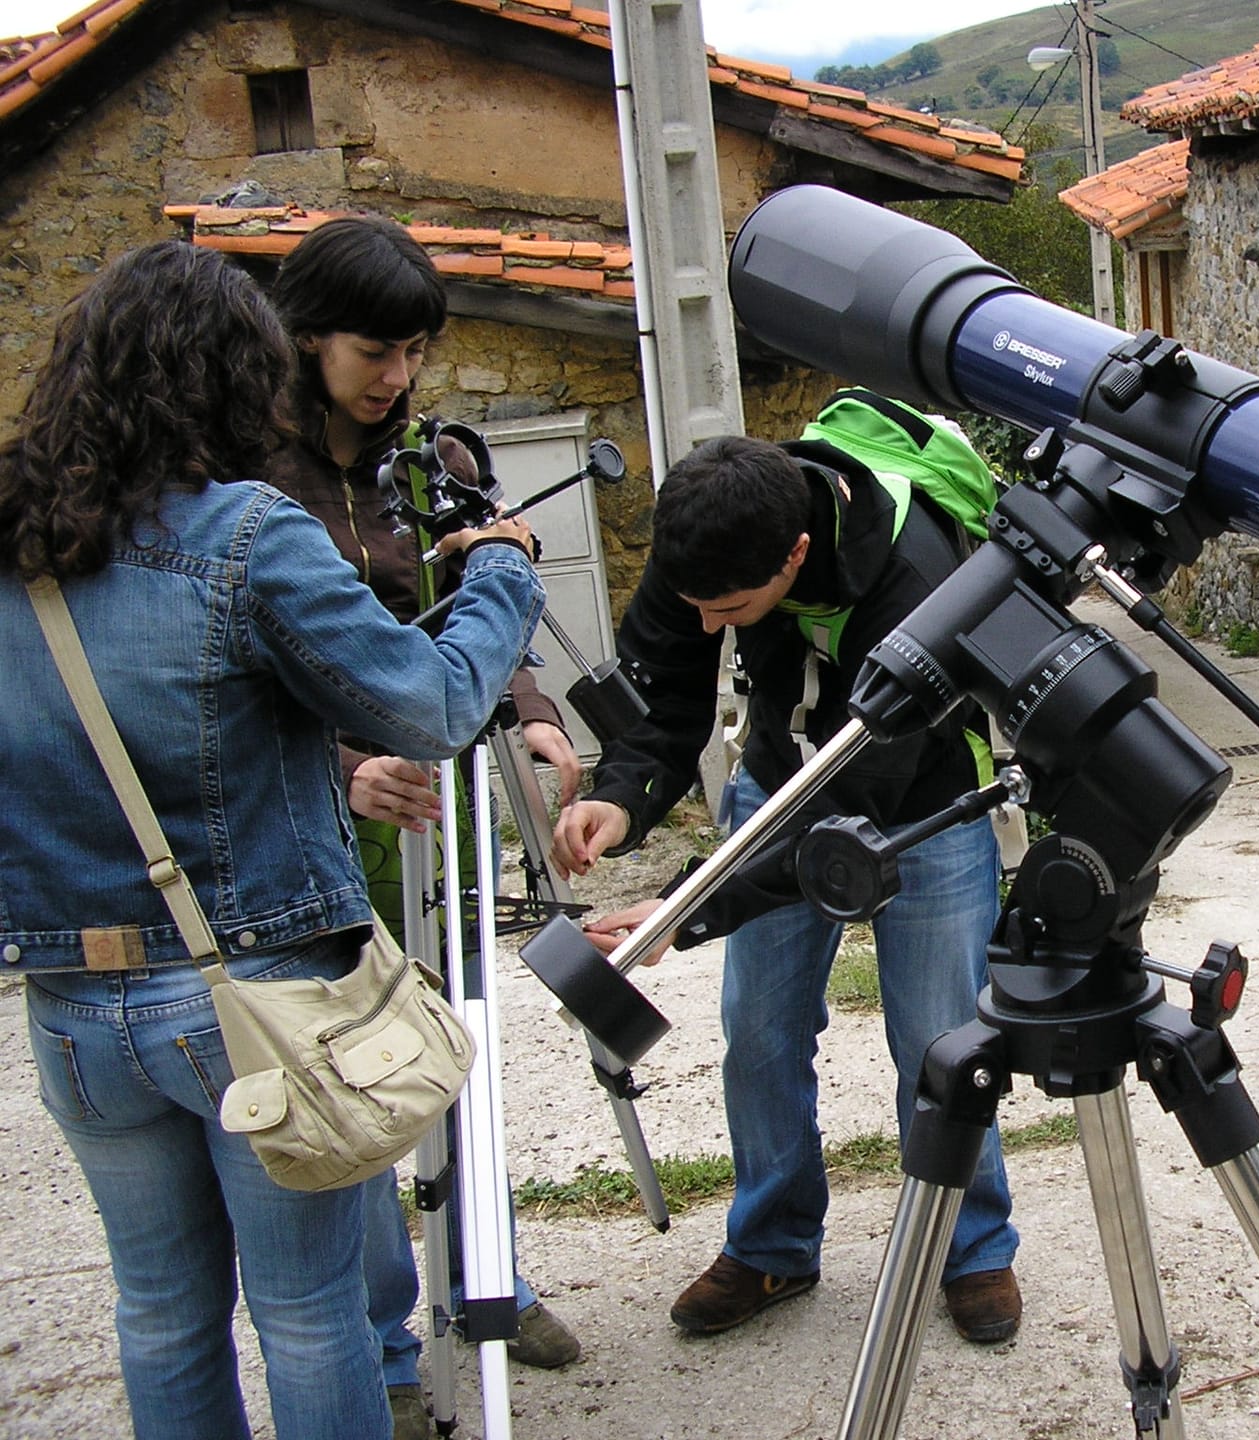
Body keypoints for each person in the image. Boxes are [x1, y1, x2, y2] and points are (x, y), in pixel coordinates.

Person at [0, 241, 543, 1440]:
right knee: (308, 1313)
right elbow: (435, 704)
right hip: (257, 994)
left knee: (157, 1309)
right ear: (235, 378)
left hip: (72, 1005)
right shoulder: (246, 532)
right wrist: (503, 573)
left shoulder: (15, 539)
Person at [549, 434, 1024, 1342]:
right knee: (759, 1034)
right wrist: (620, 797)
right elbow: (667, 697)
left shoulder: (912, 579)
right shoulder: (707, 542)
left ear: (797, 554)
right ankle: (771, 1248)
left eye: (728, 609)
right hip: (779, 775)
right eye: (693, 602)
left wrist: (691, 904)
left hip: (917, 800)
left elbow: (855, 798)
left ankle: (971, 1249)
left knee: (941, 1044)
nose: (705, 624)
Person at [263, 216, 582, 1429]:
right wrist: (344, 762)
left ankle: (487, 1275)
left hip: (437, 803)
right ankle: (390, 1342)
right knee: (350, 1085)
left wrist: (531, 705)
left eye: (413, 349)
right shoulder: (246, 476)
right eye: (372, 350)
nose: (395, 376)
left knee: (451, 1049)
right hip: (310, 818)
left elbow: (476, 588)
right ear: (306, 338)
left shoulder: (437, 461)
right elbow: (241, 667)